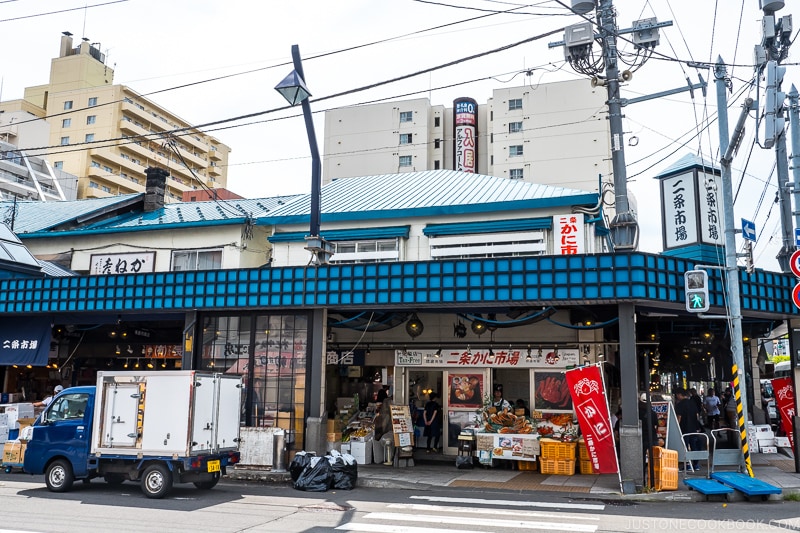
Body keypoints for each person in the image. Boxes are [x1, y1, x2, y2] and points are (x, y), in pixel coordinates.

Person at [675, 388, 703, 470]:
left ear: (680, 395)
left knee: (685, 446)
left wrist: (677, 427)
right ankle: (696, 464)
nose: (677, 397)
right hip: (693, 428)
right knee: (694, 445)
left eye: (677, 395)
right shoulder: (692, 402)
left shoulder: (680, 405)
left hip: (684, 428)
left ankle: (687, 464)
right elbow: (697, 415)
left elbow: (679, 417)